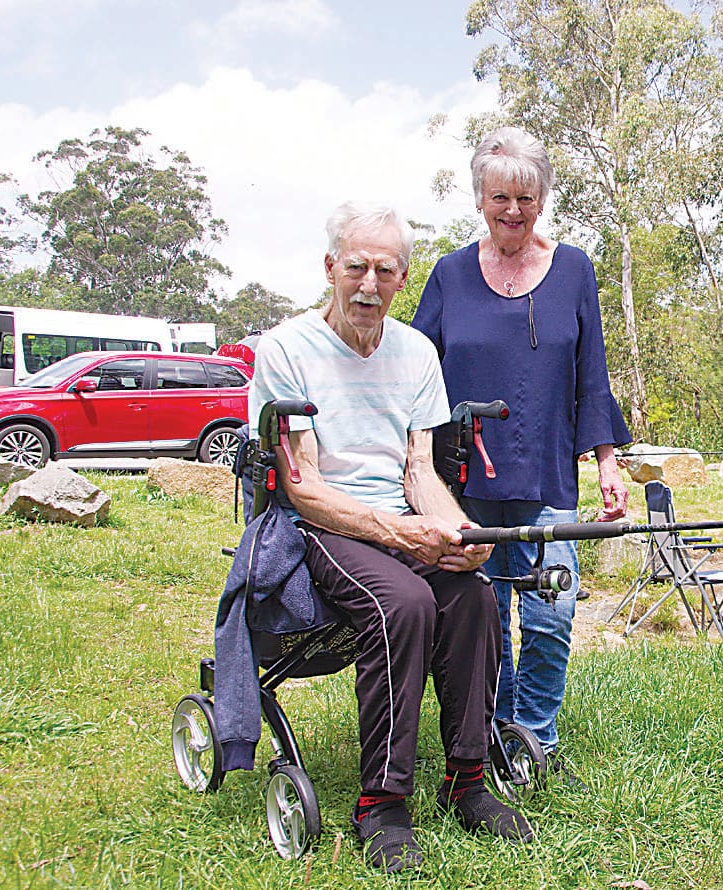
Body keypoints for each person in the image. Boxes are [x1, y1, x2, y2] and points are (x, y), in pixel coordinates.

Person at [249, 202, 533, 874]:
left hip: (399, 515)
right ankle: (381, 804)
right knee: (401, 604)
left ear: (403, 278)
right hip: (325, 523)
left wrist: (458, 529)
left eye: (384, 271)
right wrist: (400, 534)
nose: (368, 285)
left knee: (474, 597)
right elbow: (303, 487)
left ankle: (467, 781)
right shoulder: (285, 349)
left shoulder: (416, 352)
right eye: (356, 268)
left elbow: (419, 470)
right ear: (330, 268)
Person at [413, 127, 632, 783]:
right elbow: (413, 371)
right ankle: (496, 737)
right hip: (465, 483)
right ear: (480, 198)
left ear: (543, 199)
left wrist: (607, 462)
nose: (513, 211)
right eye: (500, 197)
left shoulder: (574, 270)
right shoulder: (449, 274)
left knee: (549, 612)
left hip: (546, 476)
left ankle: (536, 738)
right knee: (485, 618)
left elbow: (591, 374)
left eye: (526, 198)